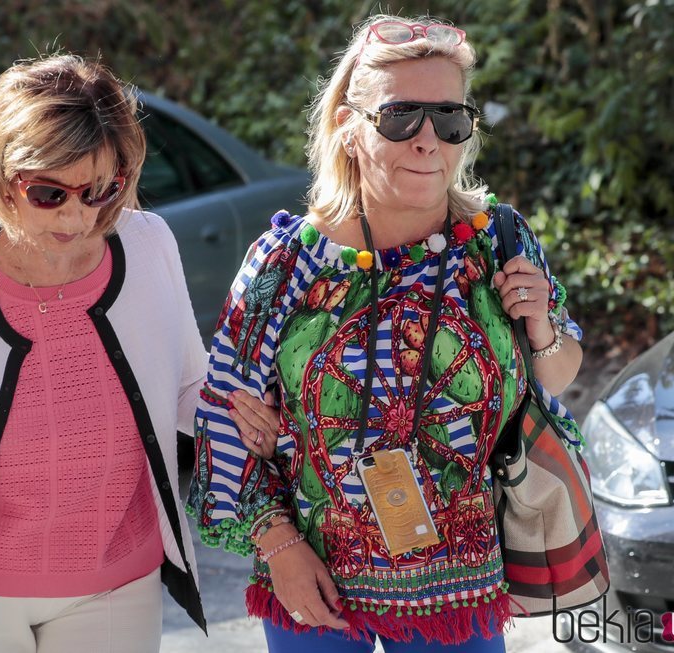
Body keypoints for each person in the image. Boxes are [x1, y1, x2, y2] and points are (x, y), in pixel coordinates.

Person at [187, 14, 585, 653]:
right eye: (401, 118)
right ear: (348, 127)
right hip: (312, 587)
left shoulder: (498, 242)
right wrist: (280, 547)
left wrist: (540, 326)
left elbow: (558, 376)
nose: (429, 141)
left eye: (450, 120)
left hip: (461, 592)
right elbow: (223, 422)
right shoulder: (287, 264)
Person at [0, 53, 273, 653]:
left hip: (116, 578)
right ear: (3, 177)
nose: (79, 215)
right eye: (49, 193)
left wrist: (233, 411)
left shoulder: (149, 245)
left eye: (103, 189)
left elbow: (184, 387)